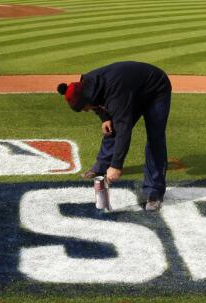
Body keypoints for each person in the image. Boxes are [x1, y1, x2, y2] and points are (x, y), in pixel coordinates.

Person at [57, 61, 172, 211]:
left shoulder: (114, 94)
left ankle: (154, 191)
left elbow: (124, 130)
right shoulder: (86, 85)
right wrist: (105, 117)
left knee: (155, 137)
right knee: (111, 127)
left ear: (87, 99)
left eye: (84, 108)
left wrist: (116, 166)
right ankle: (101, 166)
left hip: (156, 89)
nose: (86, 111)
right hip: (132, 90)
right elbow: (97, 104)